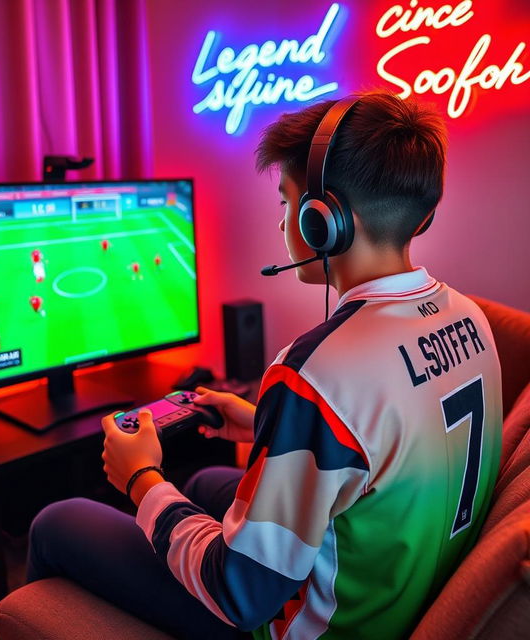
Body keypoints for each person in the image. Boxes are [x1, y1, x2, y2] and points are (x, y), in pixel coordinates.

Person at [26, 92, 502, 640]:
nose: (283, 222)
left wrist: (140, 478)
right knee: (206, 478)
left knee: (56, 523)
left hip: (311, 625)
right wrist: (263, 423)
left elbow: (241, 592)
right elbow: (392, 434)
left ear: (324, 221)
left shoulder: (316, 373)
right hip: (397, 583)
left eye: (287, 202)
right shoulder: (471, 318)